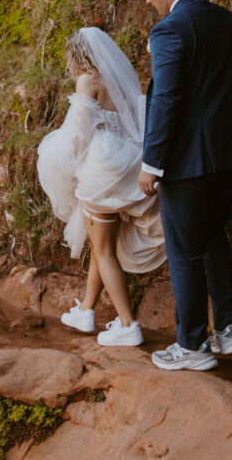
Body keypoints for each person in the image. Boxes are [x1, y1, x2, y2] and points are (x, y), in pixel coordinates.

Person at [135, 0, 232, 372]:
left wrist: (152, 164)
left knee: (185, 249)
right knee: (212, 237)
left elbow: (168, 99)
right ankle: (227, 332)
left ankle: (192, 345)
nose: (147, 3)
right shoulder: (228, 21)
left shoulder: (170, 30)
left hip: (191, 161)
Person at [37, 27, 166, 347]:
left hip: (101, 169)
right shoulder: (119, 78)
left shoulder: (88, 80)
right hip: (127, 162)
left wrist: (63, 165)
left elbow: (79, 136)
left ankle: (128, 324)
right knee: (100, 244)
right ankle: (86, 310)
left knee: (104, 250)